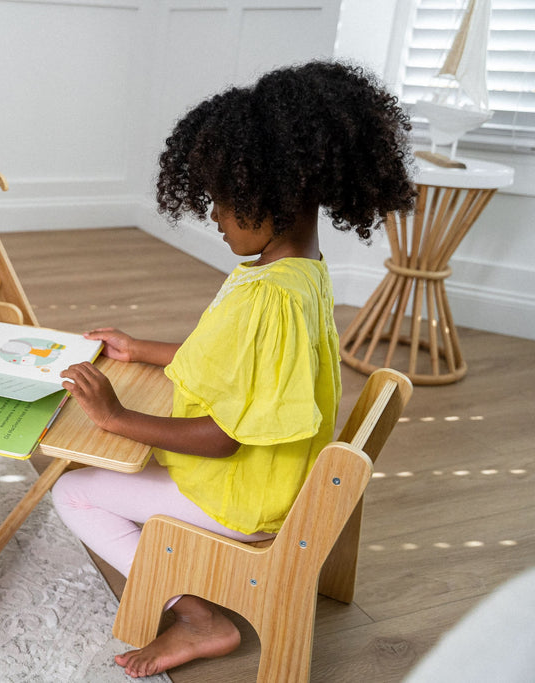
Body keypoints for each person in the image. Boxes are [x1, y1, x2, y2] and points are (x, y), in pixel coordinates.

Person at [52, 60, 416, 678]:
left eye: (224, 201)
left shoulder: (267, 296)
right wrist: (144, 349)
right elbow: (239, 368)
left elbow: (222, 438)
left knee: (75, 491)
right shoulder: (300, 274)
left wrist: (117, 418)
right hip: (282, 478)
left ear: (271, 196)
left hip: (245, 496)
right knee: (114, 453)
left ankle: (198, 617)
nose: (214, 217)